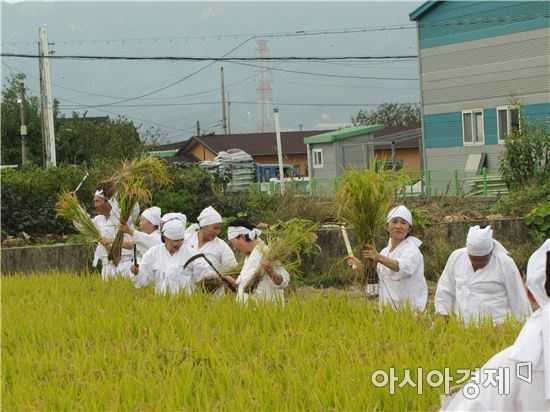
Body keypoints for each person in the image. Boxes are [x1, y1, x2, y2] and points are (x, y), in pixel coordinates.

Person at [444, 239, 550, 411]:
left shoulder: (509, 365)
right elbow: (445, 287)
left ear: (529, 293)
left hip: (497, 326)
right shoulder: (456, 258)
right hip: (466, 326)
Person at [435, 225, 531, 324]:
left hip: (497, 329)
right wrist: (442, 312)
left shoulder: (504, 263)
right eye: (473, 259)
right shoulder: (457, 257)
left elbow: (518, 297)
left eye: (482, 260)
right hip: (462, 328)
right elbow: (445, 288)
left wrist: (524, 325)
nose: (477, 263)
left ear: (490, 252)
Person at [347, 205, 428, 311]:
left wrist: (379, 258)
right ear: (387, 226)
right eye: (394, 222)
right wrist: (360, 267)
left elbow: (402, 267)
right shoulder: (385, 252)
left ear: (409, 228)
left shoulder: (412, 250)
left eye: (403, 223)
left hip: (410, 313)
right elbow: (379, 277)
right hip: (388, 312)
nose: (398, 226)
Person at [133, 219, 216, 296]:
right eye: (175, 241)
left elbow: (204, 272)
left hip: (186, 302)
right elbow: (144, 280)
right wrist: (137, 272)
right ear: (165, 238)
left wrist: (212, 278)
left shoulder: (191, 253)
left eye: (181, 240)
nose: (178, 244)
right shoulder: (153, 253)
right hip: (160, 301)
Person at [221, 219, 289, 304]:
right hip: (248, 312)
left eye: (234, 244)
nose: (235, 248)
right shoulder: (248, 258)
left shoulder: (266, 253)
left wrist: (271, 271)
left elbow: (283, 282)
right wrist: (228, 280)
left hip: (265, 312)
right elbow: (245, 287)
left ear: (242, 237)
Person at [184, 206, 238, 296]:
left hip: (213, 296)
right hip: (186, 293)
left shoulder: (222, 247)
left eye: (219, 228)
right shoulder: (186, 239)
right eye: (215, 228)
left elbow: (232, 271)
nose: (218, 232)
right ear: (204, 226)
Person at [91, 186, 133, 280]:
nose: (95, 205)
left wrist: (110, 241)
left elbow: (131, 244)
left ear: (107, 202)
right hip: (106, 266)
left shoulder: (123, 217)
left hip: (123, 265)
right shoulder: (98, 220)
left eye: (97, 201)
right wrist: (75, 207)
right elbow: (83, 224)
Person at [120, 206, 162, 275]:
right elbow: (132, 244)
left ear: (150, 223)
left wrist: (129, 231)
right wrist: (111, 241)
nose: (140, 223)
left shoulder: (157, 238)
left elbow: (147, 240)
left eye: (142, 220)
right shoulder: (145, 238)